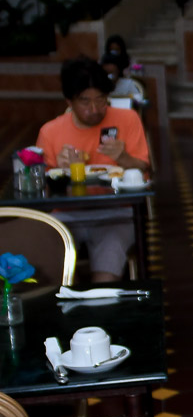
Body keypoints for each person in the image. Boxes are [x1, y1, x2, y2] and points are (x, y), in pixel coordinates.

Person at [36, 57, 150, 281]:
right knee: (50, 267)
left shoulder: (127, 119)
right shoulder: (50, 132)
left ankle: (102, 298)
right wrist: (57, 171)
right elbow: (41, 188)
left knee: (106, 273)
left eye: (101, 100)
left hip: (117, 213)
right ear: (69, 101)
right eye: (85, 102)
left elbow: (143, 167)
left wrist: (123, 157)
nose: (95, 109)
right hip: (66, 216)